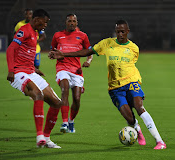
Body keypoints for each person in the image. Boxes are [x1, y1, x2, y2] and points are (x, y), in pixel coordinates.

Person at [49, 20, 166, 149]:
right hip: (115, 87)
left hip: (132, 81)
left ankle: (159, 141)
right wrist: (64, 55)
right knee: (130, 118)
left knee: (139, 107)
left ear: (128, 31)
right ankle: (136, 128)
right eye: (118, 32)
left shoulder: (133, 48)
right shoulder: (107, 43)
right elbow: (87, 52)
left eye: (123, 31)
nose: (120, 34)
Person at [7, 9, 61, 149]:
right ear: (37, 19)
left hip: (30, 71)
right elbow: (11, 49)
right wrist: (11, 70)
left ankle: (47, 138)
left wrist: (34, 69)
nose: (46, 25)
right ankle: (39, 137)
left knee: (56, 103)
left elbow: (26, 52)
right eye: (45, 22)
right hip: (18, 72)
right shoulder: (24, 30)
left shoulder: (35, 33)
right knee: (38, 94)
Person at [51, 14, 93, 133]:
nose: (71, 23)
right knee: (64, 90)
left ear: (77, 23)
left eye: (74, 21)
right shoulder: (57, 35)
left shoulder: (83, 36)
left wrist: (88, 61)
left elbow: (90, 52)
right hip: (62, 68)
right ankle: (64, 123)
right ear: (66, 22)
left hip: (76, 71)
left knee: (77, 98)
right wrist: (52, 54)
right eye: (69, 21)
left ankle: (71, 121)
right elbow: (53, 50)